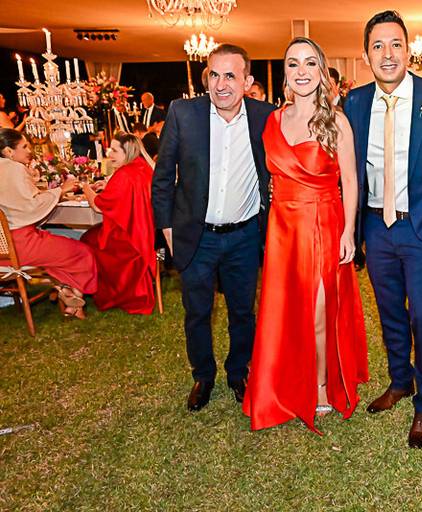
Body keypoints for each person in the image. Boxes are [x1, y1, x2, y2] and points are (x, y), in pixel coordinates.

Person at [344, 10, 422, 449]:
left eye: (395, 44)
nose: (388, 54)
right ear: (366, 56)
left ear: (409, 50)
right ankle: (400, 380)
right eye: (378, 46)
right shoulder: (354, 103)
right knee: (390, 310)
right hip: (377, 227)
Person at [242, 37, 368, 433]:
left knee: (317, 312)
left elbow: (351, 180)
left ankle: (321, 385)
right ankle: (281, 381)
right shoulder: (274, 120)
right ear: (285, 73)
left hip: (322, 224)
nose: (302, 71)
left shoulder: (337, 121)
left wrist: (349, 231)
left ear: (321, 71)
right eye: (293, 63)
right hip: (283, 228)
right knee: (282, 311)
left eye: (310, 63)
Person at [152, 44, 275, 412]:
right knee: (197, 312)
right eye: (214, 75)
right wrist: (168, 230)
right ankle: (203, 376)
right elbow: (162, 178)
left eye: (230, 76)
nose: (221, 84)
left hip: (244, 236)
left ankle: (239, 372)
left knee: (243, 312)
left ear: (247, 82)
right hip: (195, 235)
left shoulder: (266, 117)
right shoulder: (183, 113)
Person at [0, 128, 97, 319]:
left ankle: (69, 294)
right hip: (20, 245)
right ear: (9, 151)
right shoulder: (13, 169)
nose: (29, 151)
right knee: (81, 251)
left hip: (4, 249)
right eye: (24, 146)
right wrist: (61, 190)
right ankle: (73, 297)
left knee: (58, 250)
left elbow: (18, 203)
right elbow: (31, 207)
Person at [80, 131, 156, 315]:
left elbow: (97, 206)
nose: (110, 154)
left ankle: (101, 290)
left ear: (127, 151)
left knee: (87, 239)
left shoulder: (124, 174)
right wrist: (108, 186)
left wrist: (86, 188)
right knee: (92, 235)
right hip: (146, 233)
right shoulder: (143, 167)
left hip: (129, 239)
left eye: (115, 151)